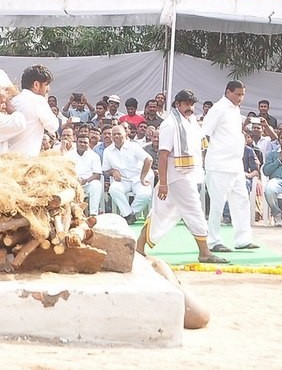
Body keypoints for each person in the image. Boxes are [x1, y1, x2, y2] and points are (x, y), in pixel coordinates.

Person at [139, 90, 227, 265]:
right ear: (177, 104)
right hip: (177, 178)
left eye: (192, 104)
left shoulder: (191, 121)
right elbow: (163, 155)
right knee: (195, 211)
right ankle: (204, 253)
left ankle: (138, 248)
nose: (190, 108)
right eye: (186, 104)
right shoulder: (170, 124)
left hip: (187, 174)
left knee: (160, 214)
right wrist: (163, 184)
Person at [201, 80, 258, 253]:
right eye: (237, 94)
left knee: (241, 201)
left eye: (242, 95)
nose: (240, 98)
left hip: (235, 165)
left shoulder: (235, 109)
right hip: (219, 165)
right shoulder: (218, 109)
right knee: (217, 204)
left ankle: (243, 239)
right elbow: (204, 133)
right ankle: (213, 241)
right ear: (228, 92)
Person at [102, 125, 152, 223]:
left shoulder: (134, 146)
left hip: (138, 178)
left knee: (145, 195)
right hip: (122, 180)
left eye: (119, 134)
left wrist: (143, 177)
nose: (116, 136)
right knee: (113, 190)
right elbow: (106, 169)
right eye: (114, 134)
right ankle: (128, 215)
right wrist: (113, 171)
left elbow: (148, 159)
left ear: (125, 134)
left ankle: (130, 214)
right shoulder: (107, 151)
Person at [8, 65, 58, 157]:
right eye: (46, 84)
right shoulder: (38, 101)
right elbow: (53, 126)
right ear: (36, 85)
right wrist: (45, 101)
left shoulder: (13, 100)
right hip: (27, 158)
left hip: (9, 156)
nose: (48, 89)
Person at [73, 130, 103, 216]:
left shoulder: (94, 156)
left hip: (88, 183)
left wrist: (85, 180)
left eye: (85, 142)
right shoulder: (68, 155)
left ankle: (93, 214)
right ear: (76, 143)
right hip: (73, 184)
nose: (82, 144)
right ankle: (74, 215)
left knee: (97, 185)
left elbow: (97, 175)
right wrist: (74, 181)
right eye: (80, 142)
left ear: (89, 144)